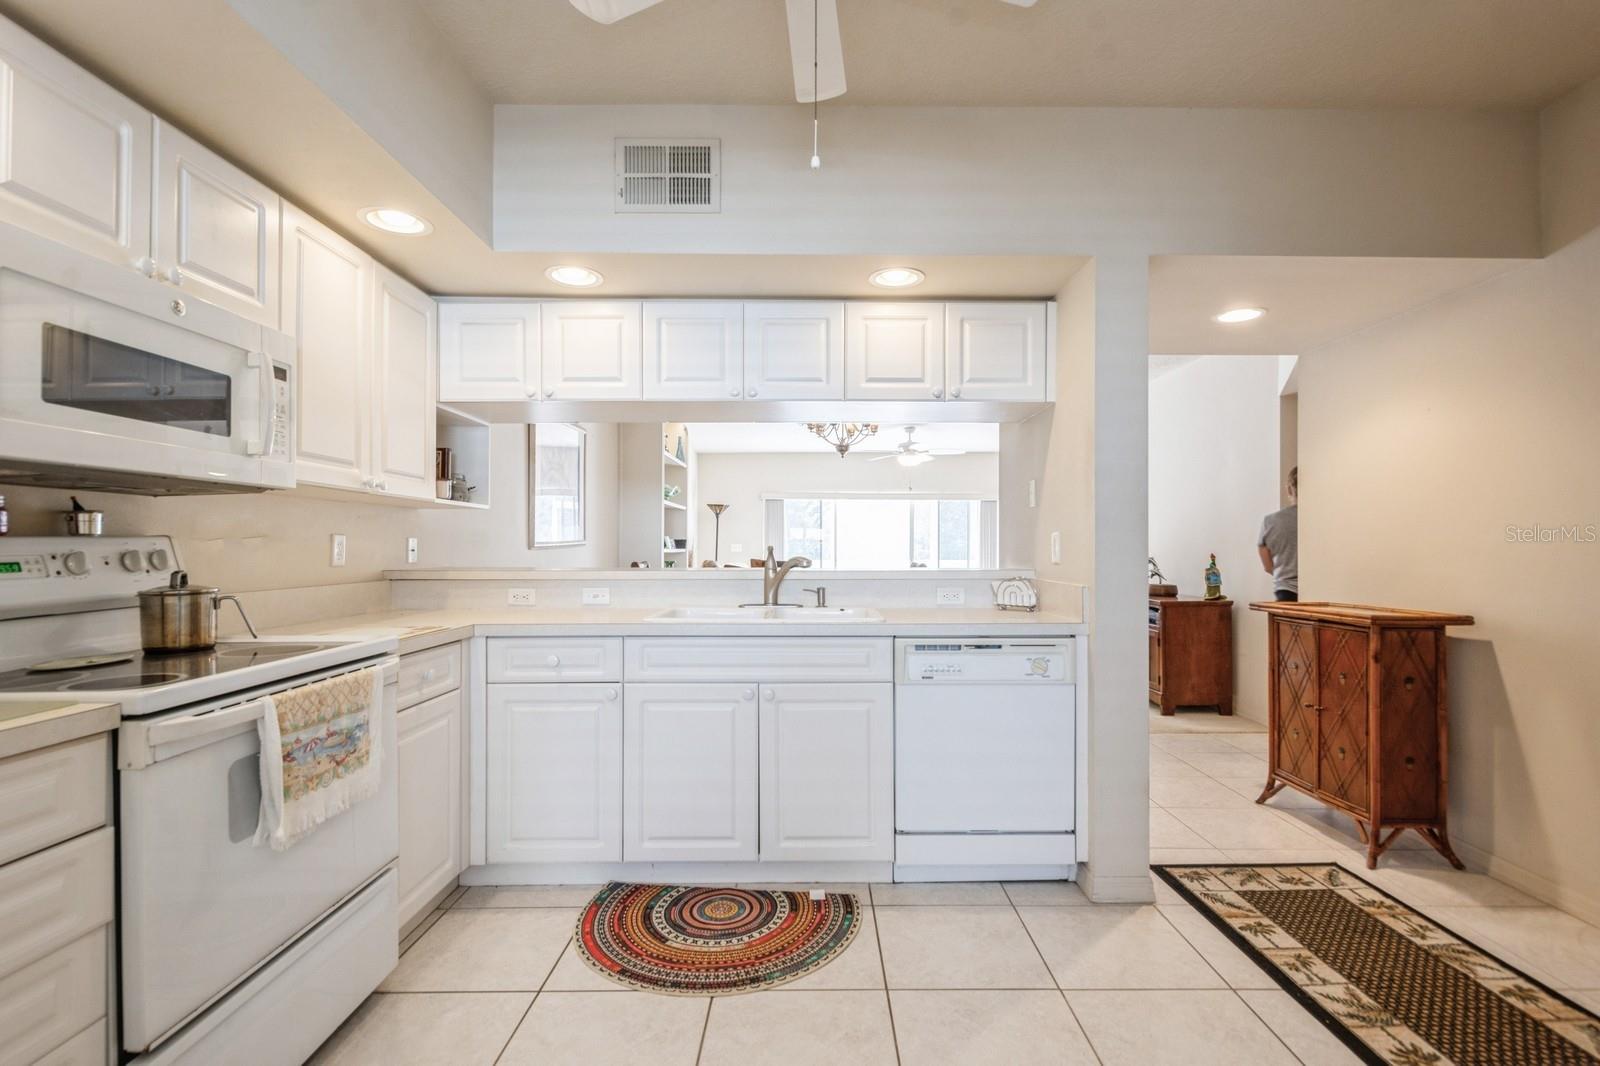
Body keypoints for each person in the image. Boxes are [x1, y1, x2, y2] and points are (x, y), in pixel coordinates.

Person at [1258, 467, 1298, 602]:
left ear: (1289, 489)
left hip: (1286, 591)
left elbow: (1268, 566)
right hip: (1323, 589)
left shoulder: (1271, 521)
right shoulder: (1326, 519)